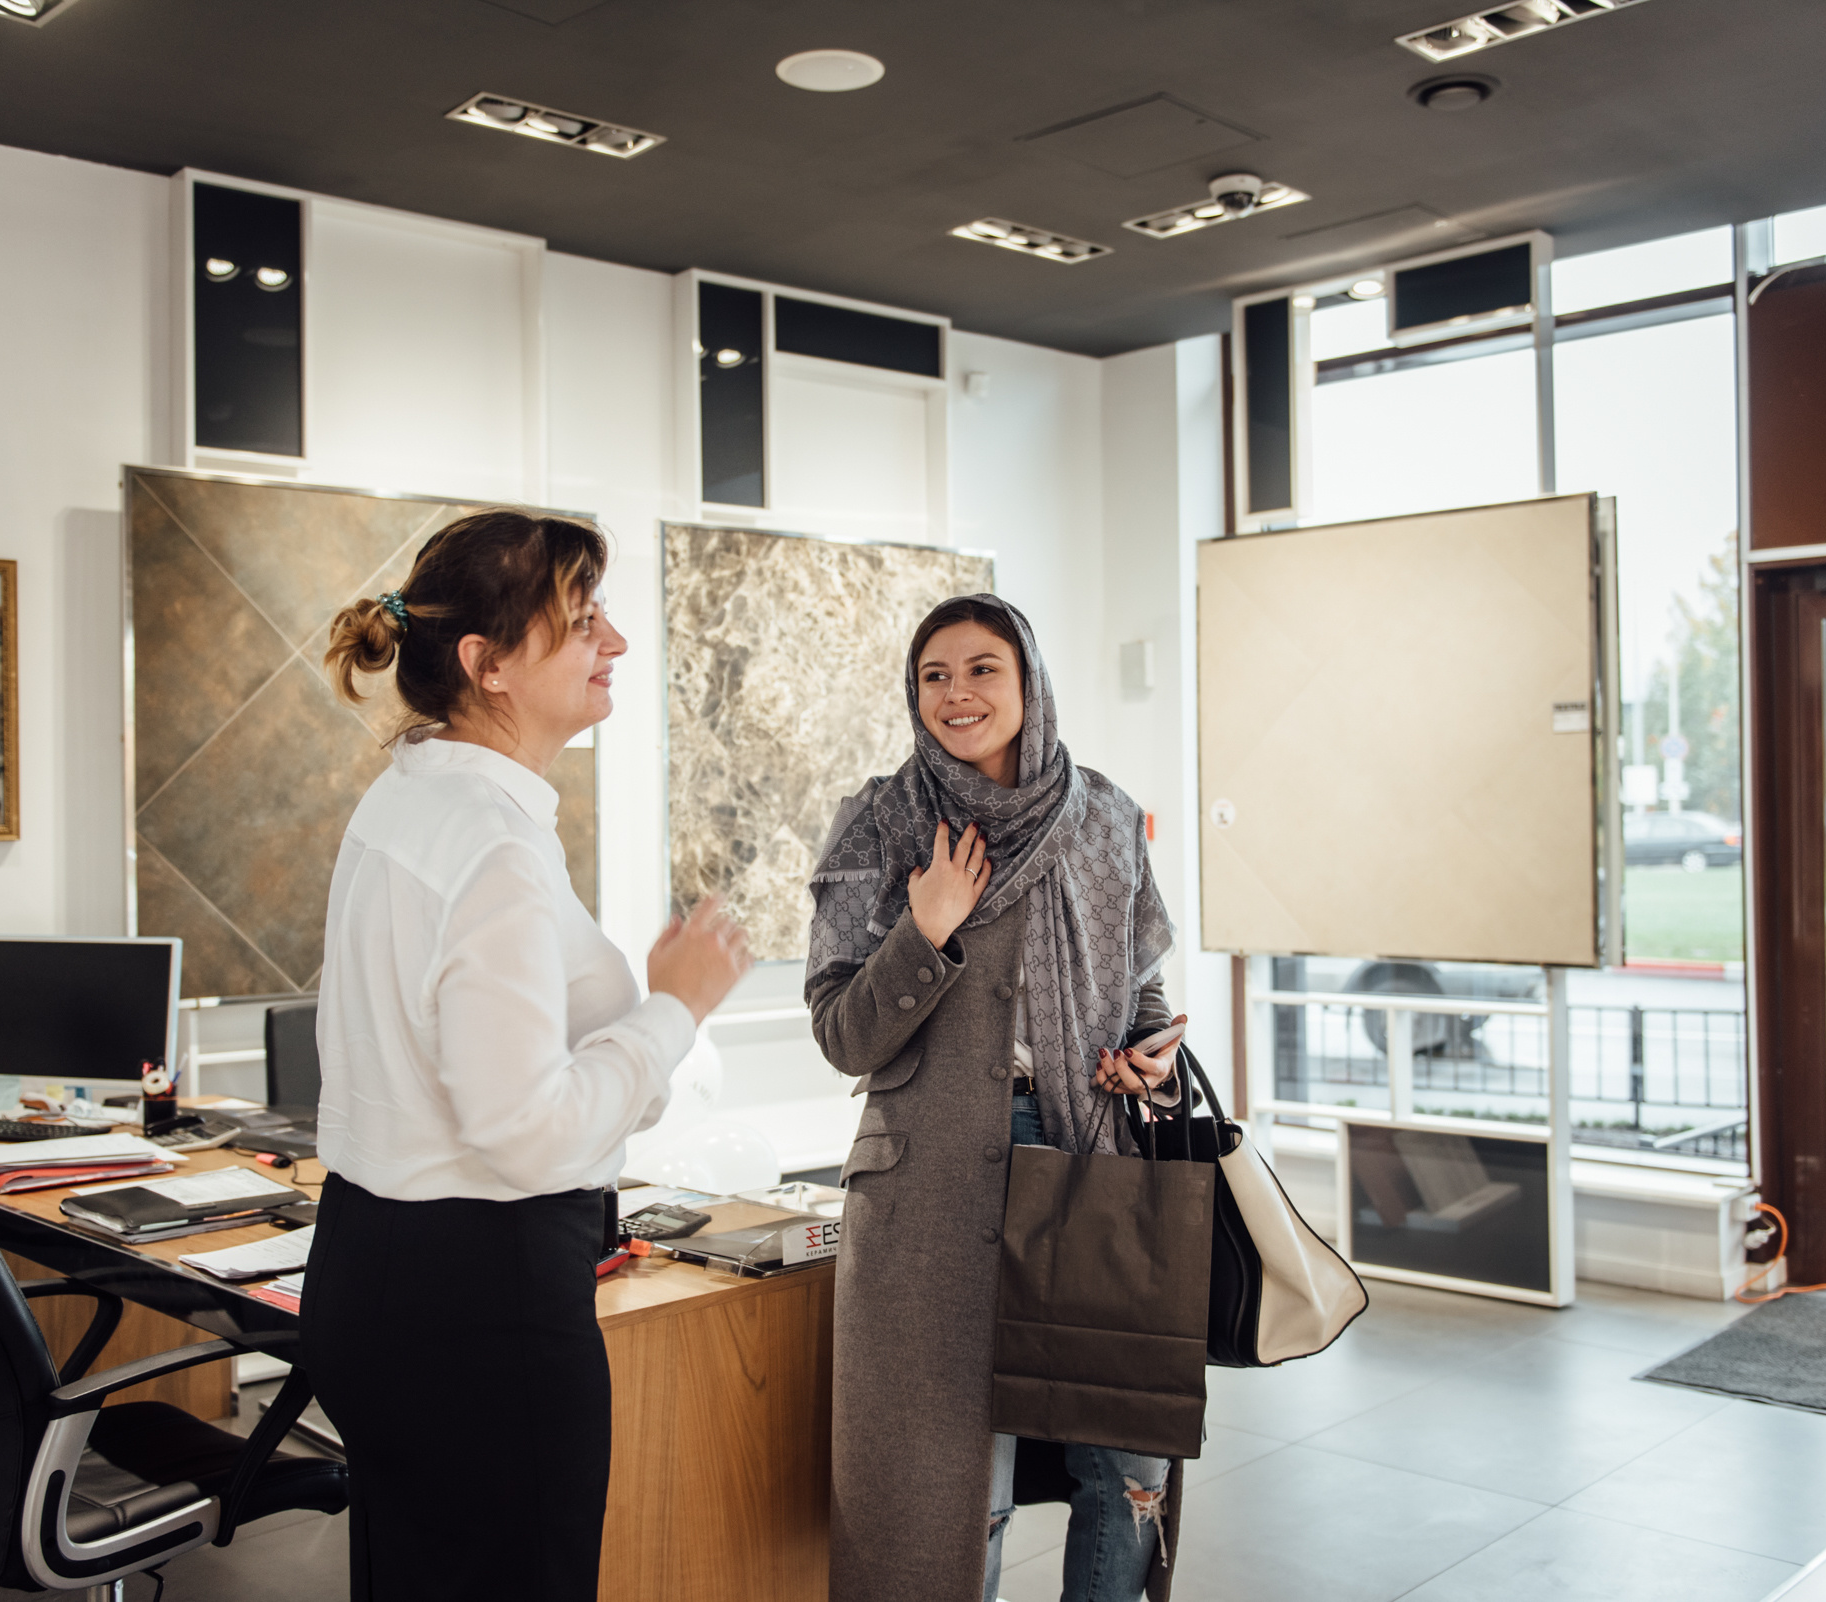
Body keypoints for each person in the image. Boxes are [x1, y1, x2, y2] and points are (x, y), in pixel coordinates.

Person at [307, 509, 751, 1602]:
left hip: (371, 1274)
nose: (618, 644)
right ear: (487, 664)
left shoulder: (411, 798)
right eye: (584, 622)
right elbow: (524, 1133)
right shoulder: (494, 845)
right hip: (481, 1308)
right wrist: (674, 1009)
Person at [806, 594, 1190, 1602]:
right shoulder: (881, 822)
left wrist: (1148, 1050)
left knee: (1127, 1473)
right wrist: (922, 929)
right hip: (929, 1189)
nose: (957, 694)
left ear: (1029, 682)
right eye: (935, 675)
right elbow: (842, 1033)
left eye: (983, 669)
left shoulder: (1105, 817)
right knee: (955, 1485)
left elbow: (1140, 986)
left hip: (1092, 1169)